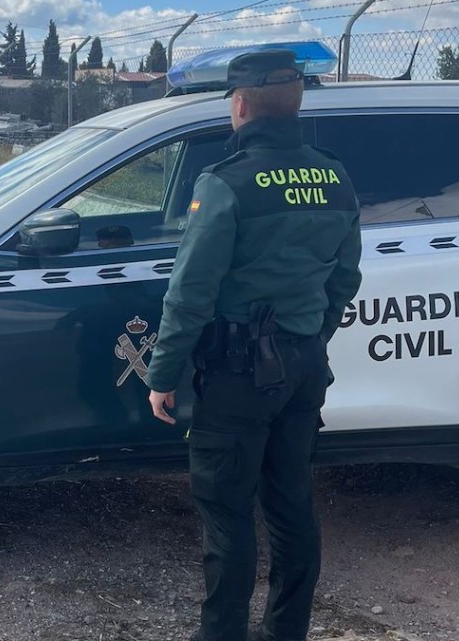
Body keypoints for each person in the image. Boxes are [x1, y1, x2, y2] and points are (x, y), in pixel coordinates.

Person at [143, 49, 363, 641]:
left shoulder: (226, 183)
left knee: (227, 513)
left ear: (239, 105)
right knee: (291, 505)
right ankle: (286, 631)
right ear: (296, 103)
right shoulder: (334, 176)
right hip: (303, 366)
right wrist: (311, 336)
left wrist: (162, 374)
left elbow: (189, 293)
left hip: (238, 374)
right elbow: (345, 278)